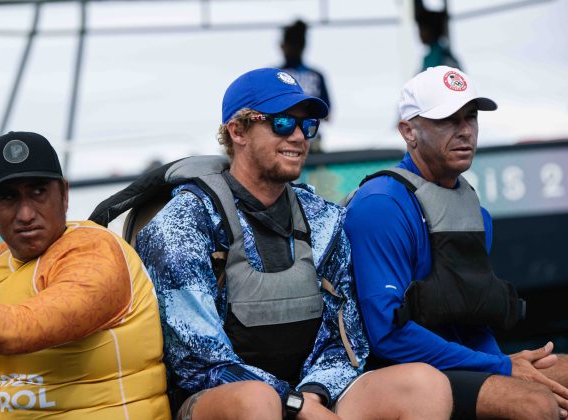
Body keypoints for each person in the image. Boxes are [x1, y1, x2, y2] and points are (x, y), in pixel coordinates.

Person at [136, 68, 453, 420]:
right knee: (257, 401)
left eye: (308, 125)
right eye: (283, 123)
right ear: (237, 131)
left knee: (425, 384)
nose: (300, 136)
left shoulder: (326, 221)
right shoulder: (182, 224)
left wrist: (313, 395)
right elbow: (198, 360)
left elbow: (345, 341)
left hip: (311, 396)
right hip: (221, 400)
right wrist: (293, 404)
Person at [344, 65, 568, 419]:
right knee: (534, 404)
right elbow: (388, 336)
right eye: (447, 119)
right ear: (409, 131)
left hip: (460, 364)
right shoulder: (380, 205)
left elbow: (471, 320)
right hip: (398, 374)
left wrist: (505, 365)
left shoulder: (475, 212)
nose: (464, 131)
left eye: (471, 117)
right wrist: (503, 369)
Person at [0, 131, 170, 419]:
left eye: (38, 192)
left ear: (64, 194)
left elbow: (14, 331)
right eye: (8, 197)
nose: (25, 214)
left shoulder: (95, 252)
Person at [280, 19, 331, 153]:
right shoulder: (316, 75)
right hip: (310, 138)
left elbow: (327, 114)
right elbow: (328, 115)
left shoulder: (276, 75)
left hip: (287, 139)